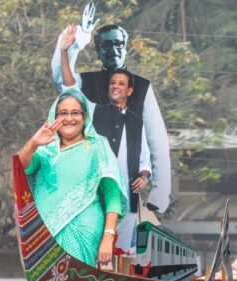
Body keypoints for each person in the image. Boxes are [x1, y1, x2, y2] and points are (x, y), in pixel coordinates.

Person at [51, 5, 171, 214]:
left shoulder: (142, 87)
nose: (114, 50)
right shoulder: (86, 82)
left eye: (118, 44)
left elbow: (157, 141)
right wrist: (78, 41)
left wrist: (160, 192)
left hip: (127, 186)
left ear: (125, 47)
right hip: (89, 186)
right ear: (98, 50)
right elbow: (62, 81)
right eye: (106, 45)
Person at [60, 29, 151, 252]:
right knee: (92, 250)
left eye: (121, 84)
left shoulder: (137, 123)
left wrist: (143, 177)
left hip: (128, 199)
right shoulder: (94, 112)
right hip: (95, 196)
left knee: (122, 254)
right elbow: (70, 88)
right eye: (112, 83)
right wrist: (64, 52)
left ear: (129, 90)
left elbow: (145, 162)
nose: (115, 87)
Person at [16, 88, 127, 266]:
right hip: (43, 231)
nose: (69, 118)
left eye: (75, 113)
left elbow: (112, 194)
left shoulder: (98, 147)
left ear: (85, 116)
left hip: (83, 229)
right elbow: (20, 169)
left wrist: (108, 236)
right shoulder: (45, 150)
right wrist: (32, 144)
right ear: (54, 117)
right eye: (63, 113)